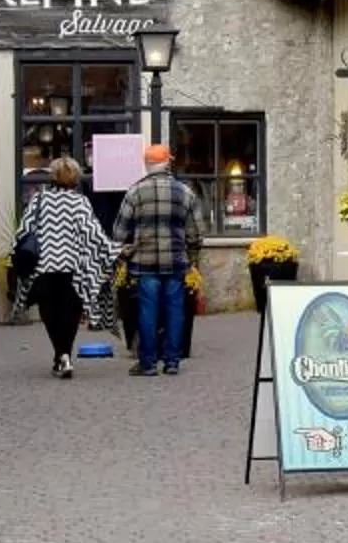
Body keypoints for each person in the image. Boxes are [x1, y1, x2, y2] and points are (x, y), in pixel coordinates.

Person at [15, 157, 116, 379]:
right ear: (75, 178)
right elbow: (93, 232)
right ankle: (65, 355)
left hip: (44, 267)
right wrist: (114, 249)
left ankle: (60, 355)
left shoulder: (39, 200)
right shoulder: (80, 202)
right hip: (73, 267)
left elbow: (23, 230)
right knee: (71, 313)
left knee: (49, 313)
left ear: (53, 176)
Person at [111, 142, 205, 378]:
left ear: (147, 165)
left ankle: (148, 362)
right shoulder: (185, 192)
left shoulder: (134, 192)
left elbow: (119, 232)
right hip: (175, 262)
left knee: (147, 311)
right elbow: (196, 232)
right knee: (175, 311)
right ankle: (172, 362)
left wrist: (125, 253)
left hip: (145, 263)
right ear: (168, 163)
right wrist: (192, 257)